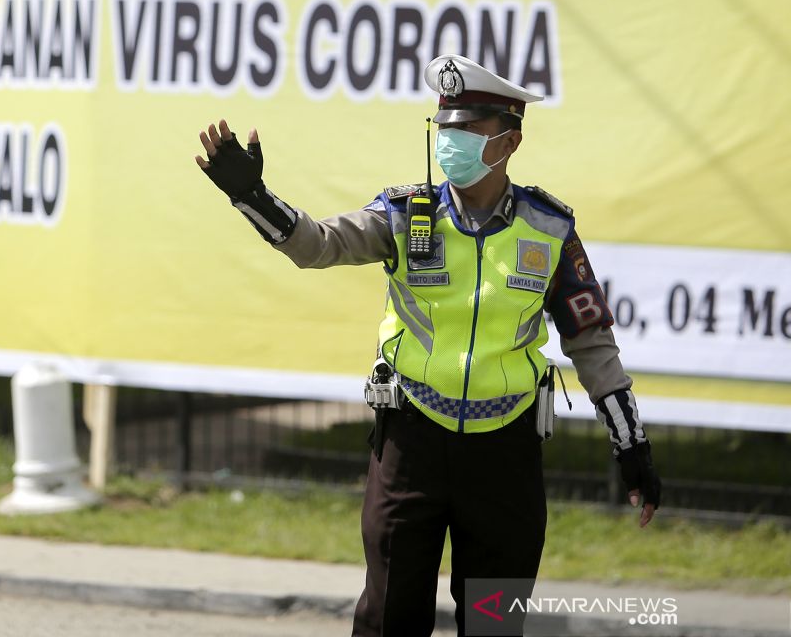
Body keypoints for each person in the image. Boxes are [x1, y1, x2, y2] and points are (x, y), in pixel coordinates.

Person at [195, 54, 662, 637]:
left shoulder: (549, 227)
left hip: (506, 454)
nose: (451, 142)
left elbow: (591, 341)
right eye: (444, 129)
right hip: (410, 444)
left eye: (467, 130)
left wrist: (631, 445)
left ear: (508, 141)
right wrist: (254, 198)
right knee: (390, 618)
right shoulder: (402, 213)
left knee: (495, 623)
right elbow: (317, 245)